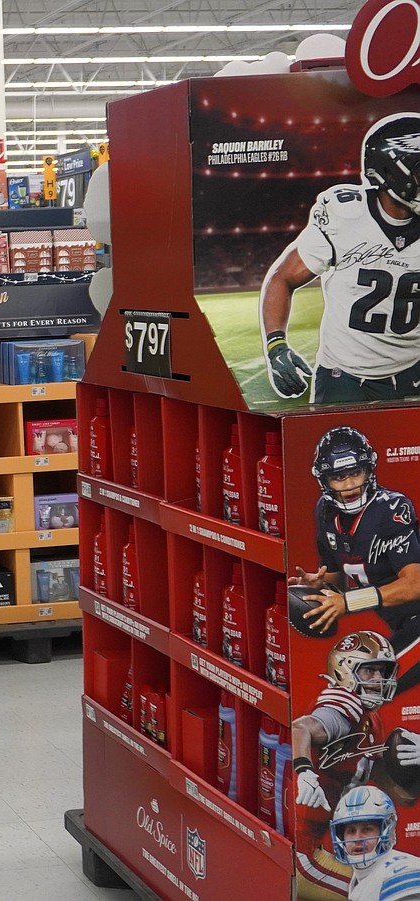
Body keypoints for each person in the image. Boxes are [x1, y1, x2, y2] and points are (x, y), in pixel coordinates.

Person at [260, 113, 420, 403]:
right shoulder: (346, 215)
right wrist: (276, 346)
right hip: (344, 377)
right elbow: (283, 278)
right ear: (391, 172)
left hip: (413, 371)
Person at [295, 427, 420, 695]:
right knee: (351, 678)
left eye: (355, 473)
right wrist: (320, 585)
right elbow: (340, 581)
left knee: (367, 686)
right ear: (325, 480)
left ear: (369, 470)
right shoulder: (325, 512)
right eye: (339, 477)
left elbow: (414, 585)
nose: (350, 484)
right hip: (404, 623)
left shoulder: (391, 508)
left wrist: (348, 602)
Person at [292, 630, 415, 899]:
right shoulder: (343, 704)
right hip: (301, 854)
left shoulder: (372, 720)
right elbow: (300, 728)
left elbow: (404, 796)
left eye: (383, 671)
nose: (378, 679)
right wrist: (304, 770)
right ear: (344, 671)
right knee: (388, 893)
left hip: (317, 847)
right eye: (369, 671)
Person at [331, 785, 420, 900]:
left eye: (367, 829)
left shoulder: (402, 872)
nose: (357, 838)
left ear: (386, 830)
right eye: (351, 831)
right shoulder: (362, 875)